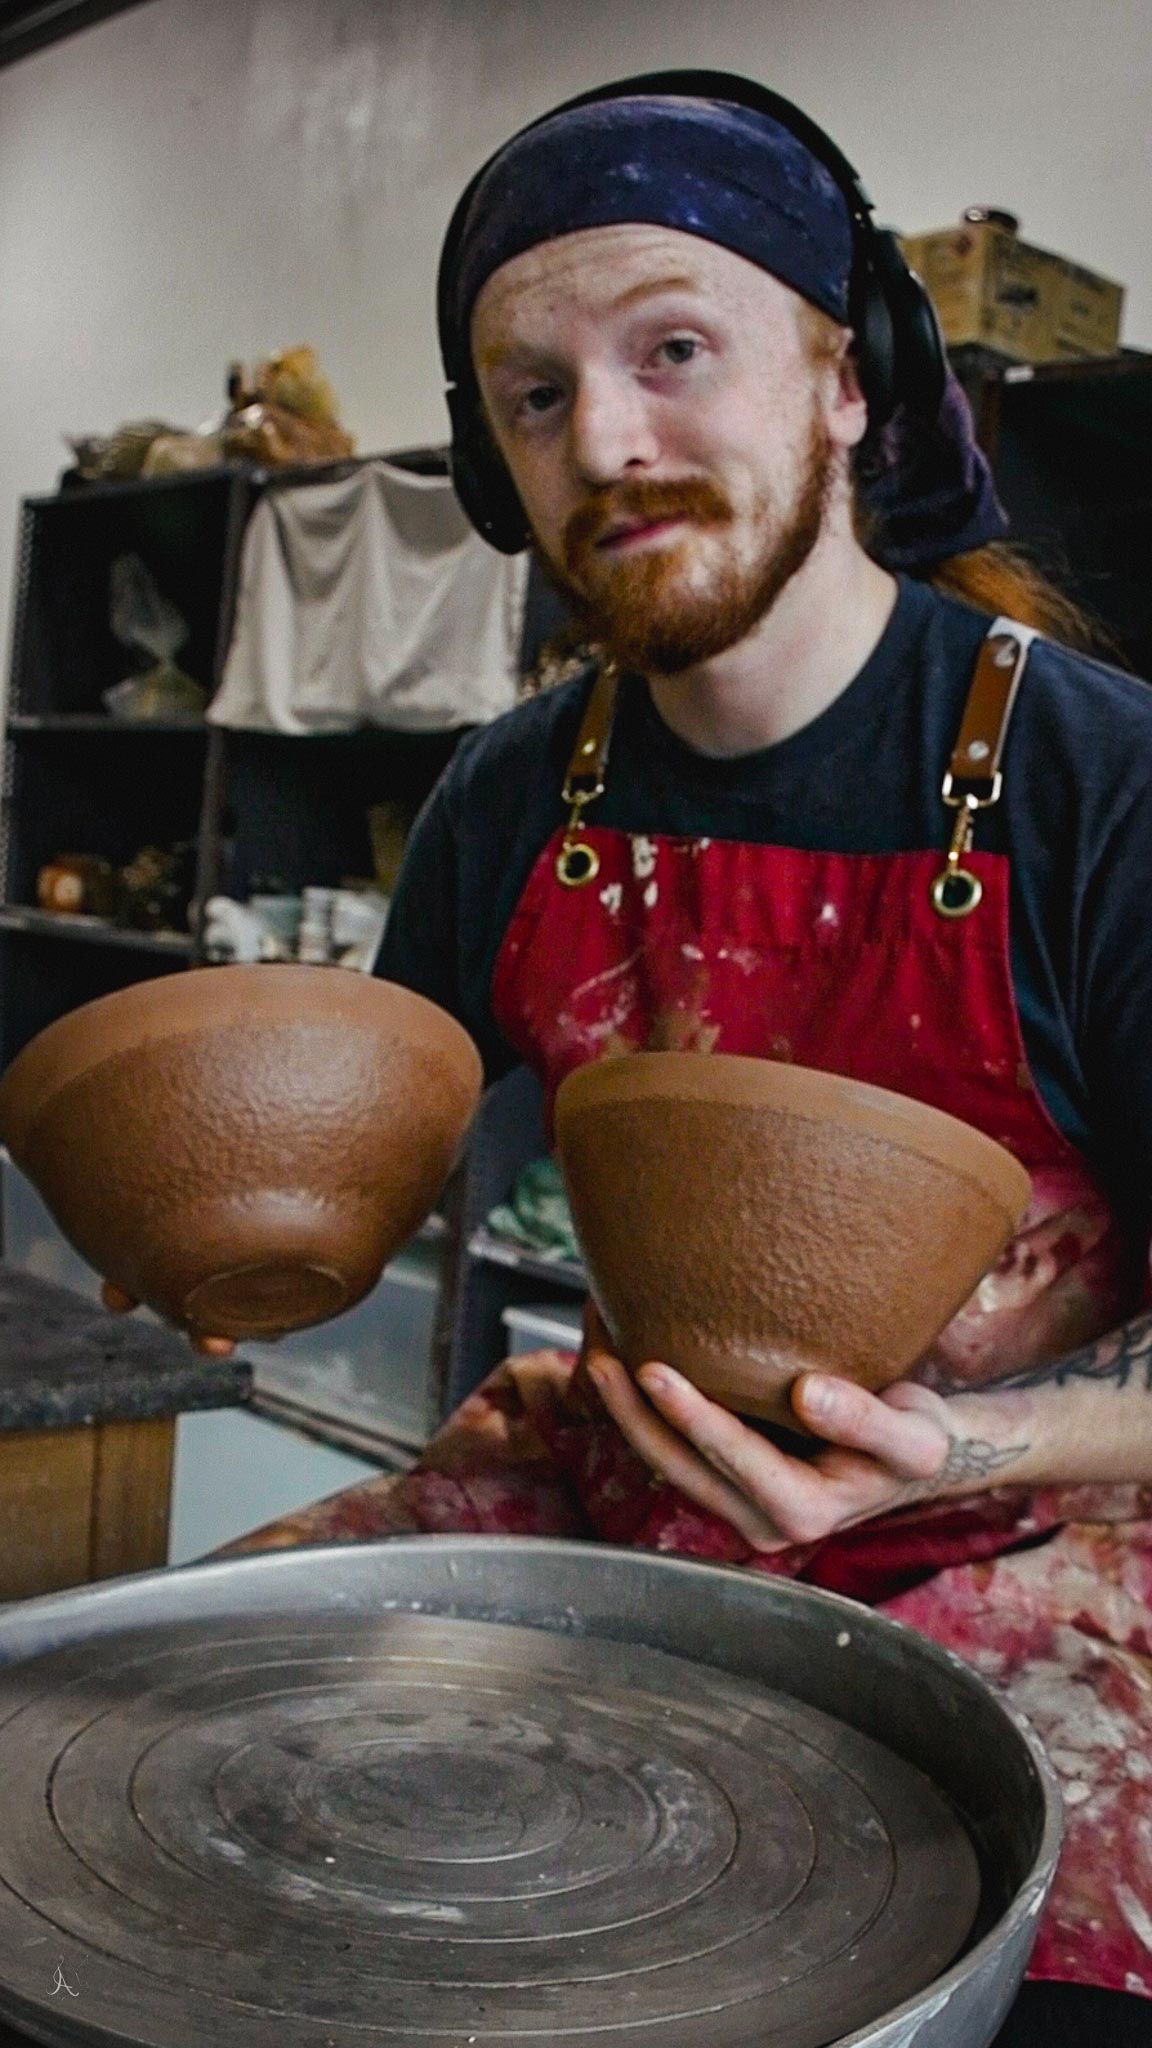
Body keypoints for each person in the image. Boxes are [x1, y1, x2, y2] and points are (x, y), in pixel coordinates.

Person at [115, 72, 1152, 2045]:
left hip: (1034, 1533)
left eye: (674, 348)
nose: (603, 439)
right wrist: (201, 1209)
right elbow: (359, 1161)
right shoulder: (515, 794)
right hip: (621, 1495)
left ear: (846, 382)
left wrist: (964, 1446)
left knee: (976, 1960)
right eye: (534, 393)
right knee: (175, 1753)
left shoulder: (1101, 784)